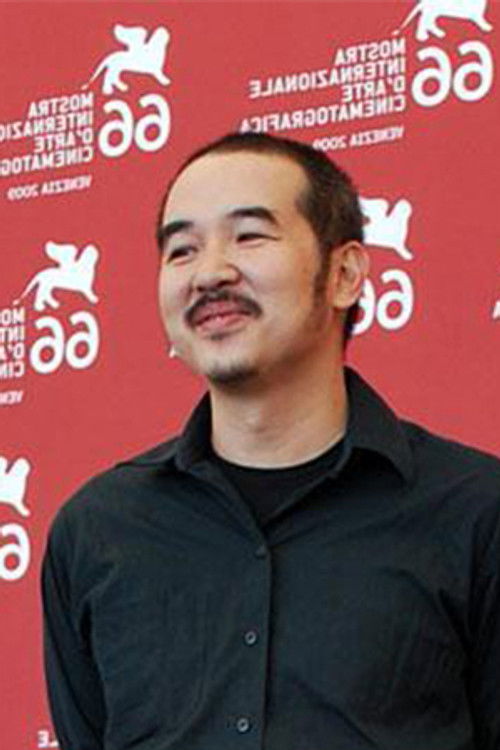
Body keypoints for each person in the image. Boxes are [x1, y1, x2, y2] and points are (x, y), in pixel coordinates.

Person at [42, 132, 500, 750]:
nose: (210, 273)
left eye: (250, 236)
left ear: (344, 275)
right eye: (182, 249)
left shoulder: (474, 511)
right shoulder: (97, 531)